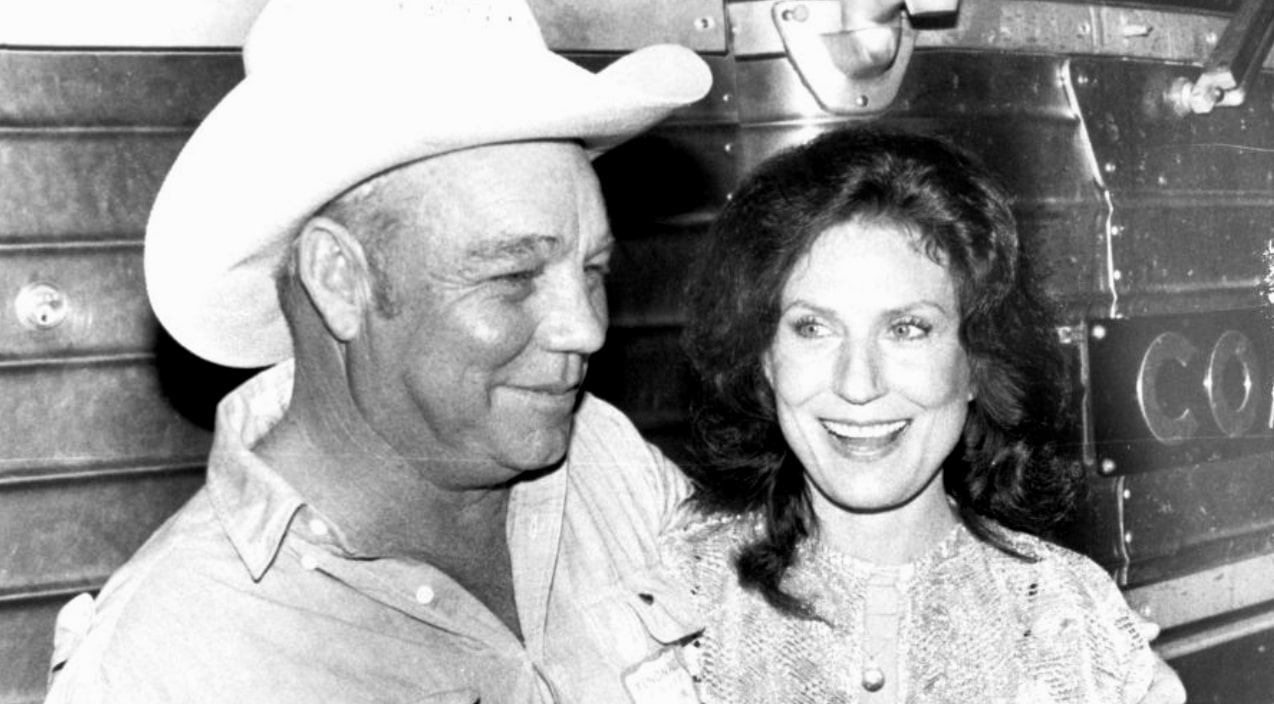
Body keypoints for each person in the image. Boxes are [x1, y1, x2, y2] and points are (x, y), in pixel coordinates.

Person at [43, 0, 711, 702]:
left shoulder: (611, 465)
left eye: (594, 269)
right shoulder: (168, 665)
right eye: (514, 276)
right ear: (339, 279)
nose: (586, 328)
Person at [665, 127, 1188, 703]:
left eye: (907, 329)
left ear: (979, 362)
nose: (857, 384)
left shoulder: (1077, 625)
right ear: (765, 357)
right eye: (813, 328)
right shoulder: (677, 604)